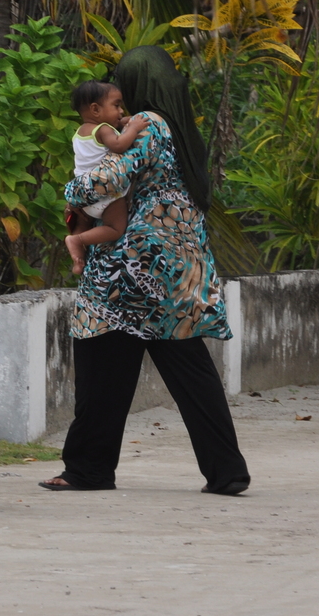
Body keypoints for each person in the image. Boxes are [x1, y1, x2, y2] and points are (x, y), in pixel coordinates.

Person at [39, 46, 251, 496]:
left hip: (129, 270)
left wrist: (73, 191)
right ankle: (227, 471)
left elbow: (108, 180)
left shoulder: (149, 124)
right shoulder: (181, 131)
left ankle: (88, 469)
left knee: (101, 365)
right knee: (190, 371)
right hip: (176, 270)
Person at [65, 80, 149, 274]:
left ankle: (78, 254)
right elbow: (119, 145)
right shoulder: (103, 129)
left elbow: (119, 124)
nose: (121, 111)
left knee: (84, 223)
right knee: (116, 228)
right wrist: (135, 128)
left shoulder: (80, 133)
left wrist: (127, 121)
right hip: (106, 194)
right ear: (95, 109)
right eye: (117, 105)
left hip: (83, 194)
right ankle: (78, 240)